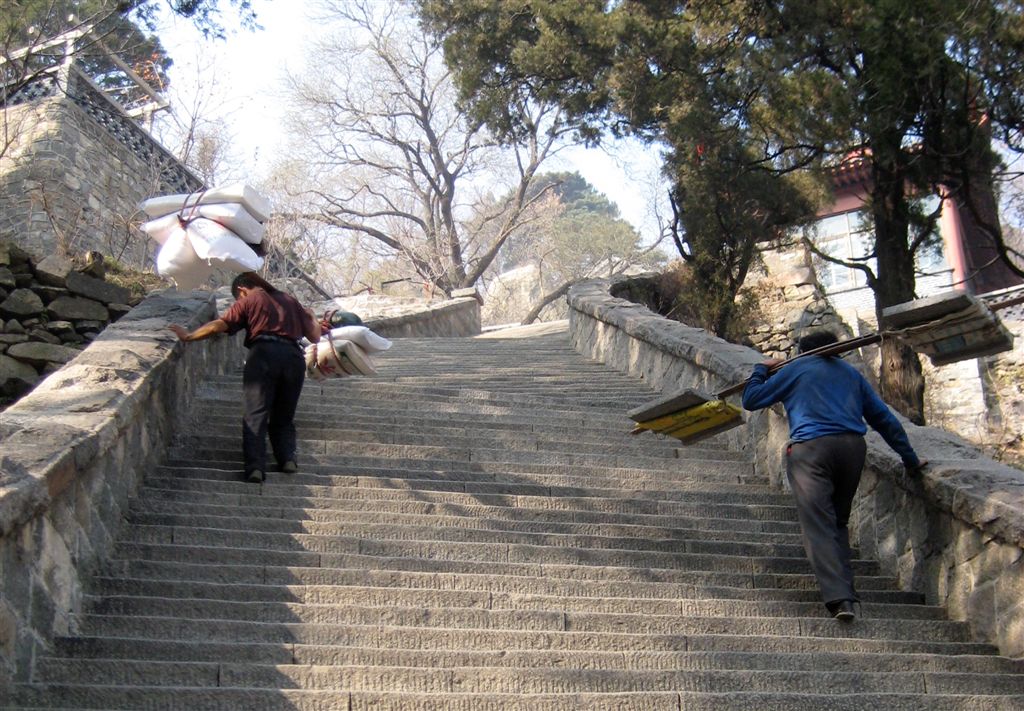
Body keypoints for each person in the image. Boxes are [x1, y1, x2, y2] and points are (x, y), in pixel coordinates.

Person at [741, 329, 926, 622]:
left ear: (803, 350)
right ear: (836, 350)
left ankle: (840, 599)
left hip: (811, 451)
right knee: (837, 522)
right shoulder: (852, 375)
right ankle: (846, 593)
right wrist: (910, 459)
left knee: (818, 524)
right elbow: (885, 420)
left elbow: (751, 399)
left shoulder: (797, 369)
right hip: (852, 451)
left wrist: (758, 370)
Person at [169, 272, 321, 483]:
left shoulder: (250, 299)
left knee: (256, 413)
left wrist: (189, 336)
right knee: (284, 415)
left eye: (237, 298)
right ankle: (287, 459)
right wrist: (312, 317)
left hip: (263, 355)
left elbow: (219, 325)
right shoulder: (290, 300)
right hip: (294, 359)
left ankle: (255, 468)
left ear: (242, 290)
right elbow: (315, 336)